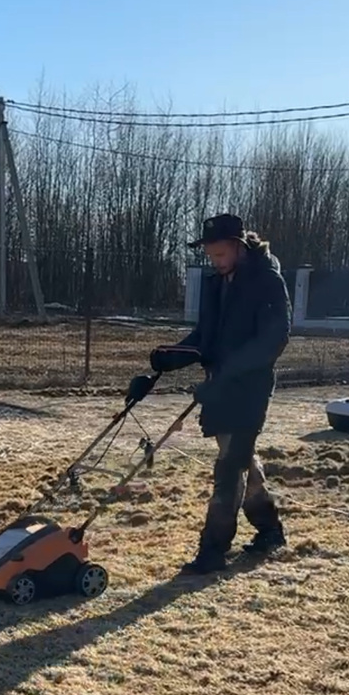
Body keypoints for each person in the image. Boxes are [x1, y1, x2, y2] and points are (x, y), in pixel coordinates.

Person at [128, 213, 292, 575]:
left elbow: (273, 340)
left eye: (220, 254)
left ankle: (213, 552)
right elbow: (204, 338)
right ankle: (270, 530)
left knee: (229, 469)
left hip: (249, 390)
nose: (215, 262)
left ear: (238, 246)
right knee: (242, 461)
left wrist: (229, 373)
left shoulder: (267, 281)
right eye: (210, 255)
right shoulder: (215, 284)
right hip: (217, 388)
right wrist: (166, 359)